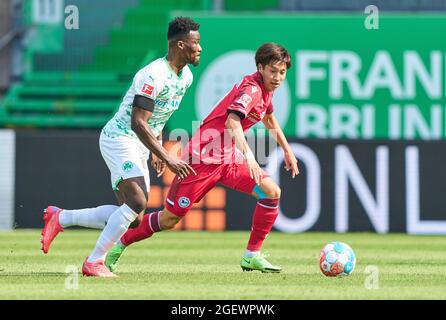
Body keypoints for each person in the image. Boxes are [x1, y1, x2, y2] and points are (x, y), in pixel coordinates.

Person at [105, 42, 299, 273]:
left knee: (271, 192)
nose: (277, 77)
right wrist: (250, 157)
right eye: (272, 71)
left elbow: (268, 118)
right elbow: (232, 122)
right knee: (169, 220)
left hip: (227, 159)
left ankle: (251, 255)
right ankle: (120, 244)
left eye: (282, 72)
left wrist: (287, 151)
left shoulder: (266, 90)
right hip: (202, 160)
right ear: (260, 68)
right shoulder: (253, 90)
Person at [40, 17, 202, 277]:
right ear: (181, 44)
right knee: (138, 201)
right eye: (196, 43)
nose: (200, 48)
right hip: (120, 137)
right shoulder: (153, 74)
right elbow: (138, 122)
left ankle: (61, 218)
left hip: (140, 143)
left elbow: (159, 114)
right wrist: (166, 156)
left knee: (134, 217)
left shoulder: (186, 77)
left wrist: (157, 144)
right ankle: (94, 262)